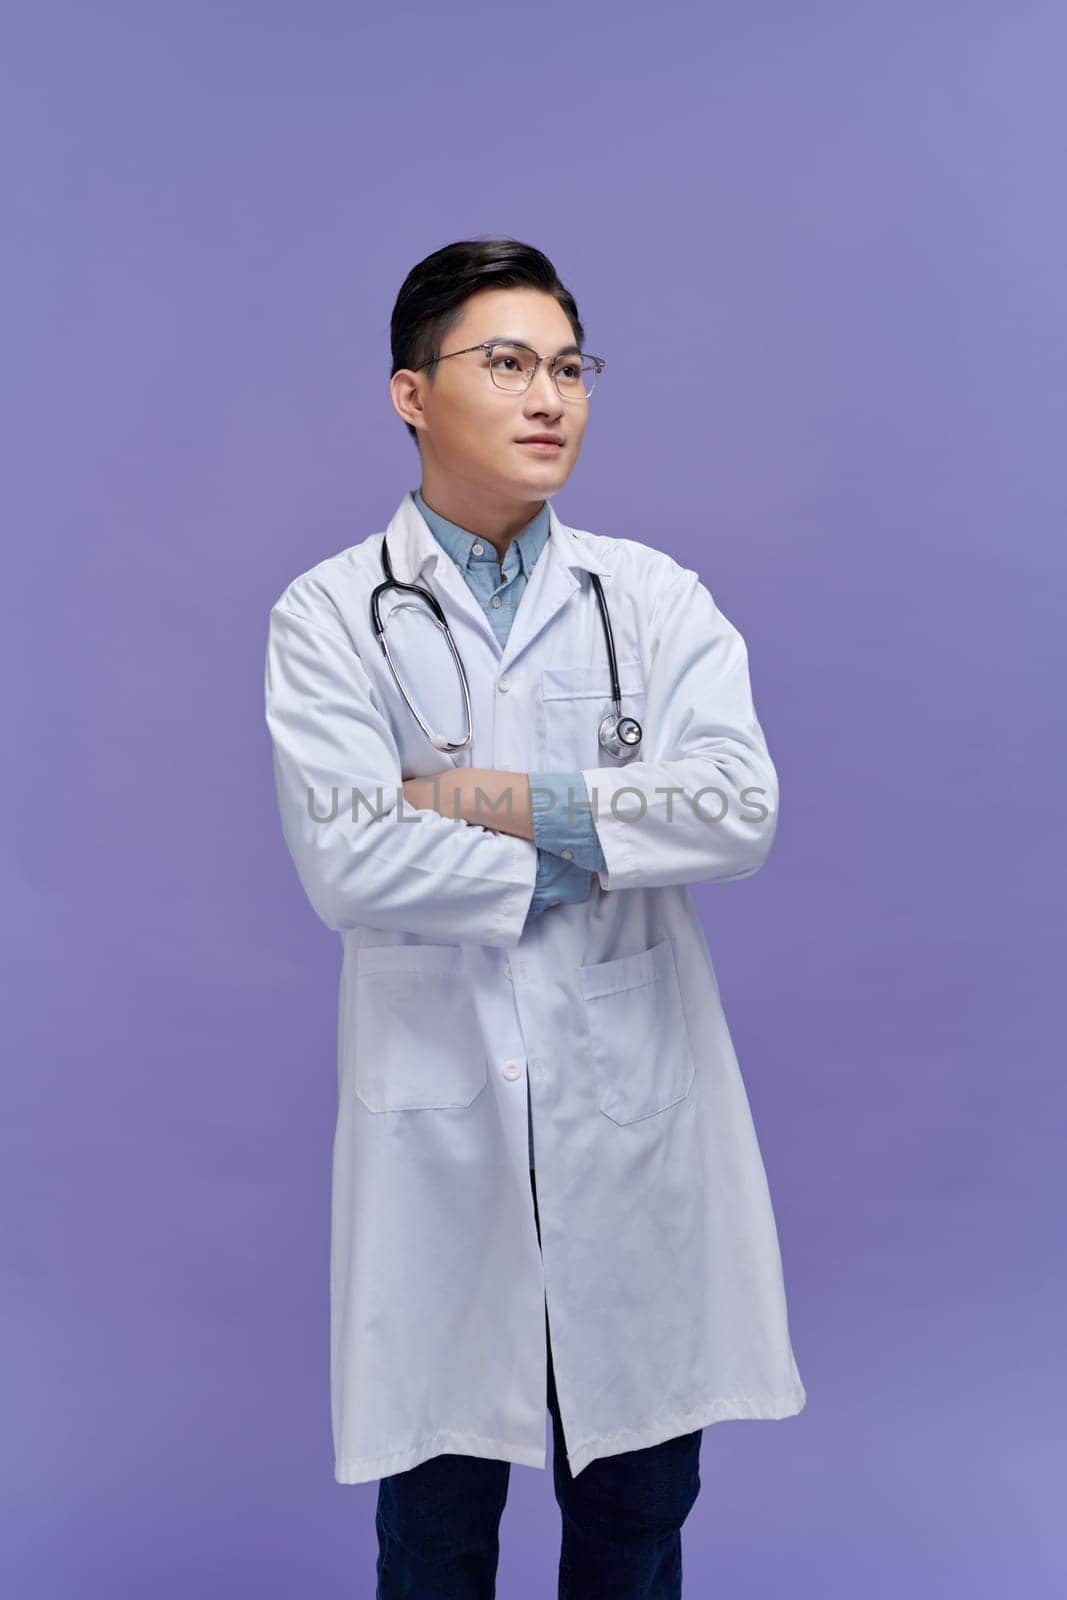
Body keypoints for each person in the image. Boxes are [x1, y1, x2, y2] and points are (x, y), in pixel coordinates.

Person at [264, 237, 806, 1598]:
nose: (548, 396)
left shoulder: (654, 599)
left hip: (632, 1129)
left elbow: (738, 812)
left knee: (637, 1522)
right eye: (505, 363)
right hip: (443, 1127)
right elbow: (352, 869)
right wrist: (612, 831)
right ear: (409, 392)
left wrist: (495, 800)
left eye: (569, 366)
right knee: (435, 1536)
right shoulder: (331, 616)